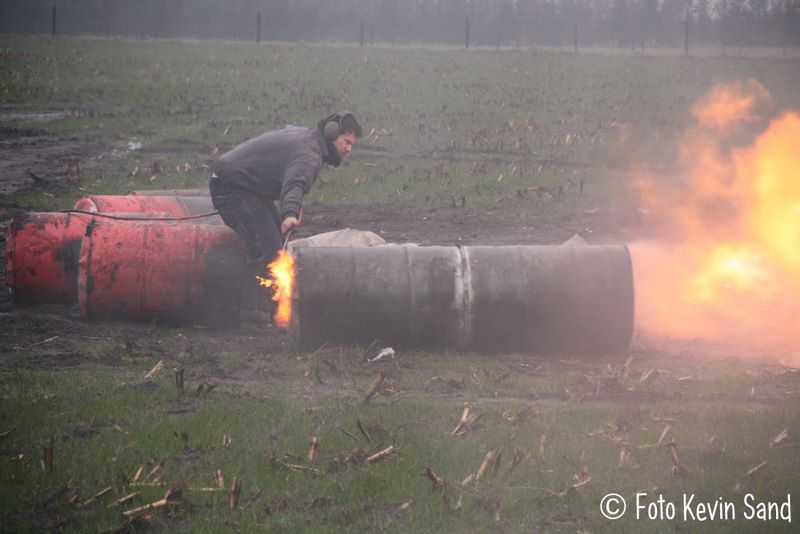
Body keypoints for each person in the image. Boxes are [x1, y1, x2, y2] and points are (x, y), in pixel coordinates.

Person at [209, 111, 362, 329]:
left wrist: (292, 207)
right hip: (231, 188)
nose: (349, 149)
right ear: (331, 133)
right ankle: (253, 315)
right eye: (346, 142)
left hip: (246, 187)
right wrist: (289, 214)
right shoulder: (309, 153)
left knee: (278, 246)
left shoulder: (308, 138)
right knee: (265, 249)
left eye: (352, 144)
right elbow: (295, 183)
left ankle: (271, 309)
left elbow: (288, 178)